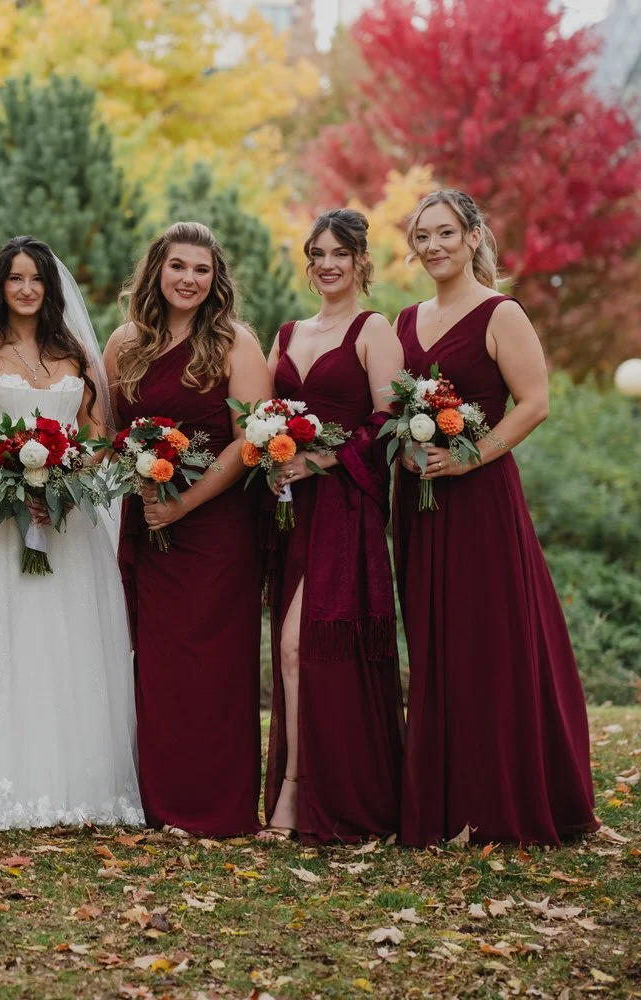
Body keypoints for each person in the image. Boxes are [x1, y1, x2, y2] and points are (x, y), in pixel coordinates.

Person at [0, 236, 142, 829]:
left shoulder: (78, 358)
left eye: (35, 278)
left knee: (65, 640)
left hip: (68, 520)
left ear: (50, 288)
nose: (25, 288)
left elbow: (97, 438)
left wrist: (59, 484)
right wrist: (3, 483)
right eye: (14, 278)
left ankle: (79, 779)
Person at [394, 189, 598, 845]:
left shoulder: (500, 313)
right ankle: (441, 799)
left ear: (475, 236)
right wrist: (404, 450)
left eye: (446, 232)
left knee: (489, 640)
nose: (433, 246)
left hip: (479, 500)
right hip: (419, 503)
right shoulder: (402, 320)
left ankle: (501, 795)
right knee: (433, 642)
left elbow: (534, 403)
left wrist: (469, 459)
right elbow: (391, 411)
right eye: (422, 235)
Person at [104, 222, 270, 837]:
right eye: (178, 267)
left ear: (215, 278)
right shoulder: (125, 343)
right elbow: (104, 428)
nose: (189, 280)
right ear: (157, 271)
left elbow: (247, 441)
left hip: (217, 529)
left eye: (201, 270)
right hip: (147, 525)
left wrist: (185, 503)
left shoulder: (234, 344)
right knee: (158, 665)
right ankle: (157, 801)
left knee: (214, 666)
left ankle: (218, 808)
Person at [260, 209, 404, 843]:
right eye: (317, 253)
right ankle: (299, 785)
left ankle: (312, 792)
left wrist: (323, 459)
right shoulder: (288, 332)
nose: (327, 264)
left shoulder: (375, 331)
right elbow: (263, 412)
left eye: (339, 253)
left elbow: (387, 421)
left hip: (346, 507)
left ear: (360, 260)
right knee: (289, 648)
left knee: (306, 647)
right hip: (292, 511)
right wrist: (269, 456)